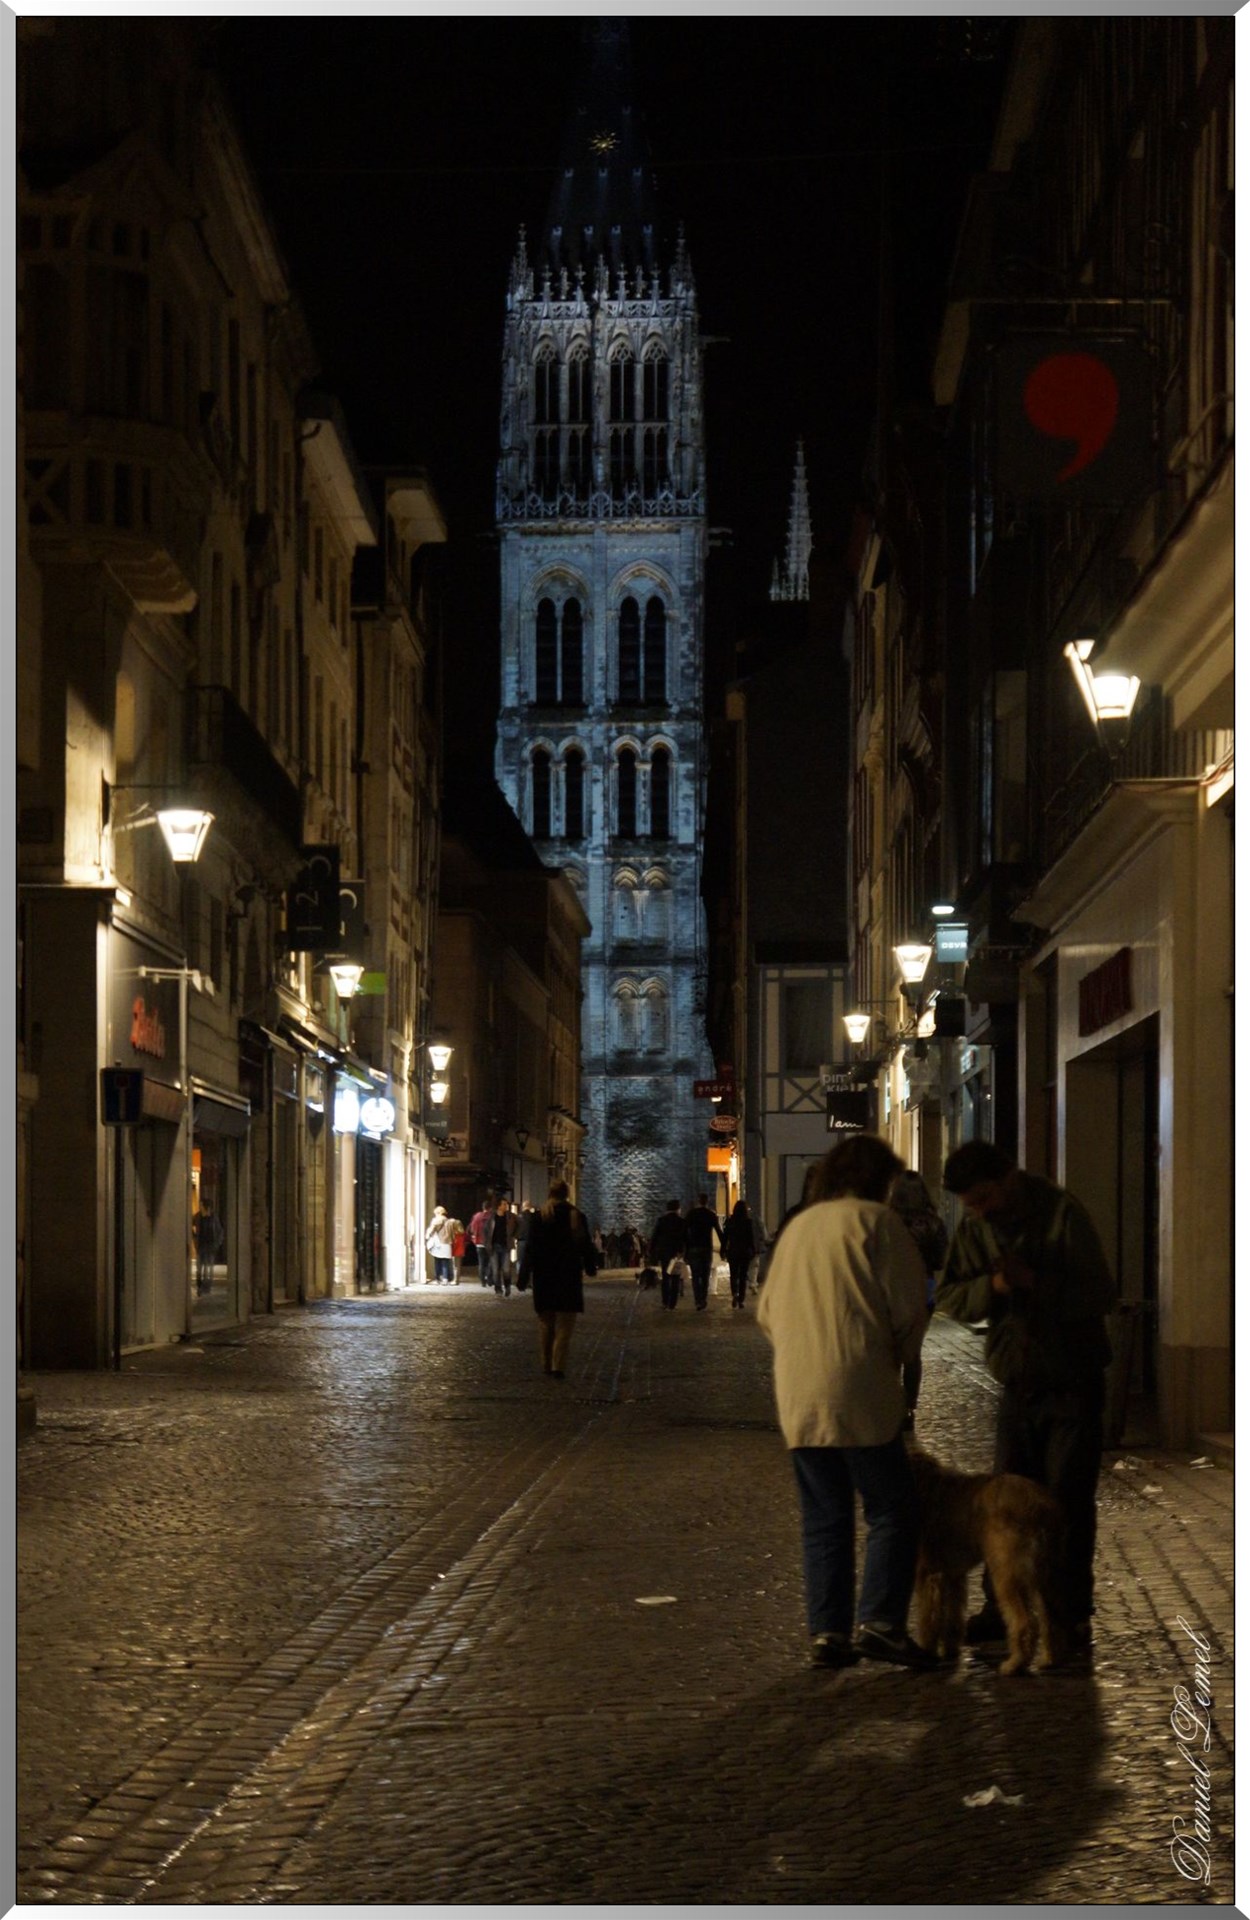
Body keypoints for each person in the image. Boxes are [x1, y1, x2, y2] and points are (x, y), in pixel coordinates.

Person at [757, 1134, 935, 1670]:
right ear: (880, 1180)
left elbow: (767, 1311)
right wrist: (901, 1358)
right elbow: (908, 1309)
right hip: (859, 1385)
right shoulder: (879, 1225)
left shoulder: (798, 1228)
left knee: (824, 1515)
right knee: (893, 1508)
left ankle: (828, 1633)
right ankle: (880, 1621)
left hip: (800, 1390)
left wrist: (800, 1349)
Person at [936, 1140, 1117, 1654]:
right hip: (1017, 1382)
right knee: (1008, 1504)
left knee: (1066, 1503)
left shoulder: (1062, 1214)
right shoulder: (977, 1230)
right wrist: (991, 1285)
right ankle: (1002, 1607)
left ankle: (1067, 1616)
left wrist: (1038, 1283)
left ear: (1009, 1178)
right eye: (970, 1204)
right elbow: (950, 1295)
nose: (979, 1210)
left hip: (1072, 1379)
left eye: (985, 1198)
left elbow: (1100, 1293)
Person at [518, 1179, 599, 1377]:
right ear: (566, 1194)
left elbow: (530, 1248)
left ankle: (545, 1364)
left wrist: (523, 1275)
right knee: (565, 1324)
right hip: (567, 1274)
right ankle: (558, 1366)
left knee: (546, 1322)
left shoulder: (539, 1217)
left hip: (544, 1275)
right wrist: (590, 1266)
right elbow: (585, 1244)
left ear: (550, 1194)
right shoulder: (576, 1216)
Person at [888, 1170, 948, 1430]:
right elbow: (939, 1260)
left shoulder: (885, 1220)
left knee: (888, 1349)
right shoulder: (933, 1222)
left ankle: (889, 1404)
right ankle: (909, 1407)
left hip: (889, 1287)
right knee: (913, 1351)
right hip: (923, 1287)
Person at [684, 1193, 723, 1311]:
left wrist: (685, 1248)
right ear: (707, 1201)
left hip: (693, 1247)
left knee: (695, 1276)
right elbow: (719, 1231)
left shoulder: (691, 1214)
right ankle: (703, 1299)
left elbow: (684, 1231)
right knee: (705, 1275)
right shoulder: (711, 1215)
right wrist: (724, 1246)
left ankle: (697, 1300)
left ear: (698, 1201)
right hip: (706, 1248)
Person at [648, 1200, 688, 1310]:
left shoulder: (661, 1221)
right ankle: (672, 1303)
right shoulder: (681, 1221)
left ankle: (665, 1301)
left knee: (666, 1277)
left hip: (664, 1253)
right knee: (675, 1277)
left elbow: (655, 1236)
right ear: (677, 1209)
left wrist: (651, 1251)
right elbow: (685, 1238)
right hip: (677, 1254)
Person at [721, 1200, 758, 1311]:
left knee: (733, 1274)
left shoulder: (730, 1221)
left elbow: (725, 1238)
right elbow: (751, 1238)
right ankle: (741, 1299)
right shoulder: (748, 1222)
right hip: (744, 1252)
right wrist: (753, 1250)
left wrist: (723, 1250)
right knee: (743, 1275)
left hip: (733, 1251)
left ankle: (735, 1294)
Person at [486, 1197, 518, 1296]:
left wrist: (515, 1235)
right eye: (504, 1204)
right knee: (495, 1270)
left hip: (506, 1246)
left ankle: (507, 1287)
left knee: (506, 1269)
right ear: (499, 1206)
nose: (506, 1206)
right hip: (494, 1246)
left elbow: (519, 1225)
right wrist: (487, 1243)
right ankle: (498, 1289)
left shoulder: (511, 1217)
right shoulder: (492, 1217)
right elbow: (486, 1231)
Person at [194, 1201, 223, 1296]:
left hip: (210, 1247)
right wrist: (194, 1236)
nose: (200, 1208)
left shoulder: (214, 1218)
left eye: (201, 1206)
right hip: (201, 1246)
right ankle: (200, 1287)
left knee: (208, 1268)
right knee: (199, 1268)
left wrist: (217, 1244)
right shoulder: (198, 1217)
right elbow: (190, 1224)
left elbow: (219, 1232)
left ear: (207, 1207)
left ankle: (206, 1288)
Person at [425, 1205, 456, 1284]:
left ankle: (438, 1278)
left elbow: (432, 1229)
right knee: (445, 1261)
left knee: (438, 1261)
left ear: (438, 1213)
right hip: (447, 1242)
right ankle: (445, 1278)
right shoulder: (449, 1221)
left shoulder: (437, 1220)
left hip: (439, 1242)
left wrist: (428, 1235)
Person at [469, 1200, 494, 1287]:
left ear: (483, 1207)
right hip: (490, 1243)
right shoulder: (492, 1216)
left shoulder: (476, 1216)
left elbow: (472, 1229)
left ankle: (482, 1281)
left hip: (479, 1242)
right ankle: (490, 1280)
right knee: (491, 1262)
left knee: (481, 1263)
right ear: (490, 1208)